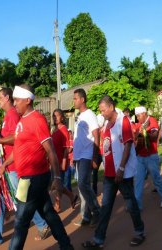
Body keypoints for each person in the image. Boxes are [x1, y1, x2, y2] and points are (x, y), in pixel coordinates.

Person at [0, 84, 73, 250]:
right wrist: (4, 165)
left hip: (33, 179)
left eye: (17, 100)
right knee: (49, 214)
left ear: (27, 100)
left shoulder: (37, 120)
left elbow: (51, 151)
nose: (14, 103)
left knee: (21, 221)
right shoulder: (22, 121)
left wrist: (58, 178)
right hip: (29, 178)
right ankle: (66, 246)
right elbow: (18, 148)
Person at [0, 88, 51, 248]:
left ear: (7, 98)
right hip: (9, 166)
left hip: (16, 166)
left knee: (23, 201)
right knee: (14, 199)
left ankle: (43, 224)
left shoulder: (12, 115)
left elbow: (16, 140)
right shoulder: (8, 116)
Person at [81, 95, 145, 249]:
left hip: (121, 172)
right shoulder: (108, 124)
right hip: (110, 173)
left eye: (103, 110)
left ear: (111, 107)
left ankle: (139, 232)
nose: (102, 113)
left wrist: (121, 168)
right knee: (106, 207)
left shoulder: (123, 121)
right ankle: (98, 239)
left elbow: (128, 145)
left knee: (130, 203)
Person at [72, 88, 101, 227]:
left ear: (82, 99)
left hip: (87, 155)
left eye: (75, 98)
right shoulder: (79, 116)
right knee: (82, 186)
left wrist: (95, 157)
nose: (74, 101)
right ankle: (87, 216)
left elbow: (96, 135)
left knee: (83, 184)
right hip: (79, 156)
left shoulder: (90, 114)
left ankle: (97, 212)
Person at [134, 106, 162, 210]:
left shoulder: (152, 121)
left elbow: (154, 137)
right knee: (138, 180)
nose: (138, 117)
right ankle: (137, 203)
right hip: (140, 156)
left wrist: (144, 131)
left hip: (151, 156)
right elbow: (136, 137)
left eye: (139, 115)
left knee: (156, 179)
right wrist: (138, 134)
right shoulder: (140, 124)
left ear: (144, 113)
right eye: (136, 115)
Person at [52, 109, 78, 213]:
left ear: (62, 117)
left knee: (58, 185)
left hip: (60, 162)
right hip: (54, 162)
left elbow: (66, 148)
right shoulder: (54, 130)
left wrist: (63, 162)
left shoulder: (64, 130)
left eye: (57, 116)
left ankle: (57, 206)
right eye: (53, 116)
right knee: (58, 185)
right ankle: (71, 196)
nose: (55, 118)